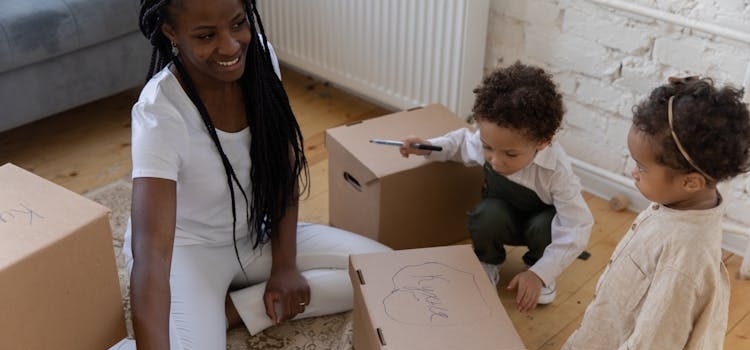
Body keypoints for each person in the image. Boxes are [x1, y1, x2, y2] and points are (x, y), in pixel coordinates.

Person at [109, 0, 390, 349]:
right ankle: (196, 318)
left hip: (253, 236)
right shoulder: (159, 114)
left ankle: (232, 310)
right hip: (189, 251)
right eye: (206, 35)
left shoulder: (260, 59)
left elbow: (283, 165)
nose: (229, 46)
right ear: (171, 32)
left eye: (238, 23)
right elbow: (151, 252)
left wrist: (285, 267)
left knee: (384, 273)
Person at [563, 76, 750, 349]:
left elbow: (654, 342)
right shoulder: (677, 205)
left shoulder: (684, 261)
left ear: (690, 182)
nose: (633, 172)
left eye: (642, 167)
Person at [399, 62, 594, 313]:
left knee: (545, 226)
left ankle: (537, 268)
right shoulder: (489, 143)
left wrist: (541, 273)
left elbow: (577, 226)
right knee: (486, 214)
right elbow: (458, 144)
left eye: (511, 154)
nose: (495, 160)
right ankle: (488, 261)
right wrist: (427, 146)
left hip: (540, 227)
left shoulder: (557, 172)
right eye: (487, 147)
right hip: (502, 219)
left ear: (542, 143)